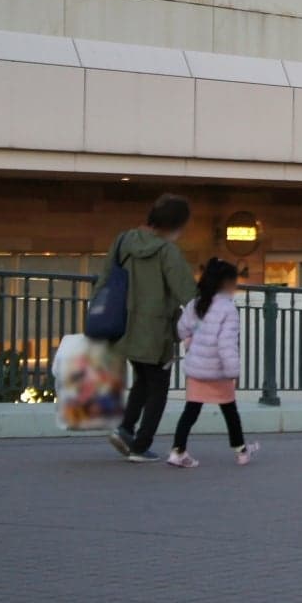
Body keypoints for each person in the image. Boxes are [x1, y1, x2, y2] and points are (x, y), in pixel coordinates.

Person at [102, 194, 199, 464]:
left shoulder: (124, 241)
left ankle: (125, 430)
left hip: (125, 326)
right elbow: (187, 292)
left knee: (143, 380)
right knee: (158, 386)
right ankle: (140, 445)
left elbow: (105, 279)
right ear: (177, 225)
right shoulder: (167, 252)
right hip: (157, 330)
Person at [167, 258, 260, 468]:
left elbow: (182, 329)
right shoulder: (228, 309)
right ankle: (241, 451)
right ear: (226, 283)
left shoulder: (196, 304)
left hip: (196, 369)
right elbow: (226, 343)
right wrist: (233, 371)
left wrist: (192, 343)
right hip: (218, 371)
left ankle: (177, 451)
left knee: (190, 411)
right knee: (230, 412)